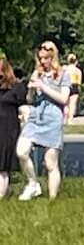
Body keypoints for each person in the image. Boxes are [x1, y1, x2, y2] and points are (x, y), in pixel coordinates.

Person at [16, 40, 71, 200]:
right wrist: (31, 89)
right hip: (35, 116)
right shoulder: (37, 73)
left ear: (53, 57)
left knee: (50, 162)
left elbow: (63, 98)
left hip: (53, 118)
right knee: (21, 151)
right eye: (40, 58)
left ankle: (53, 199)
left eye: (46, 58)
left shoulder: (63, 74)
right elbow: (30, 99)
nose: (43, 61)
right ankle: (33, 183)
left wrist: (44, 87)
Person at [0, 58, 28, 199]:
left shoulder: (16, 88)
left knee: (3, 166)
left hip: (7, 129)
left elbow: (24, 108)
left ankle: (2, 194)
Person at [64, 54, 82, 123]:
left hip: (66, 85)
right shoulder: (78, 71)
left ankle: (65, 118)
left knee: (65, 104)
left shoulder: (65, 69)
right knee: (72, 104)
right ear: (76, 61)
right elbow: (79, 82)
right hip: (75, 85)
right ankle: (70, 120)